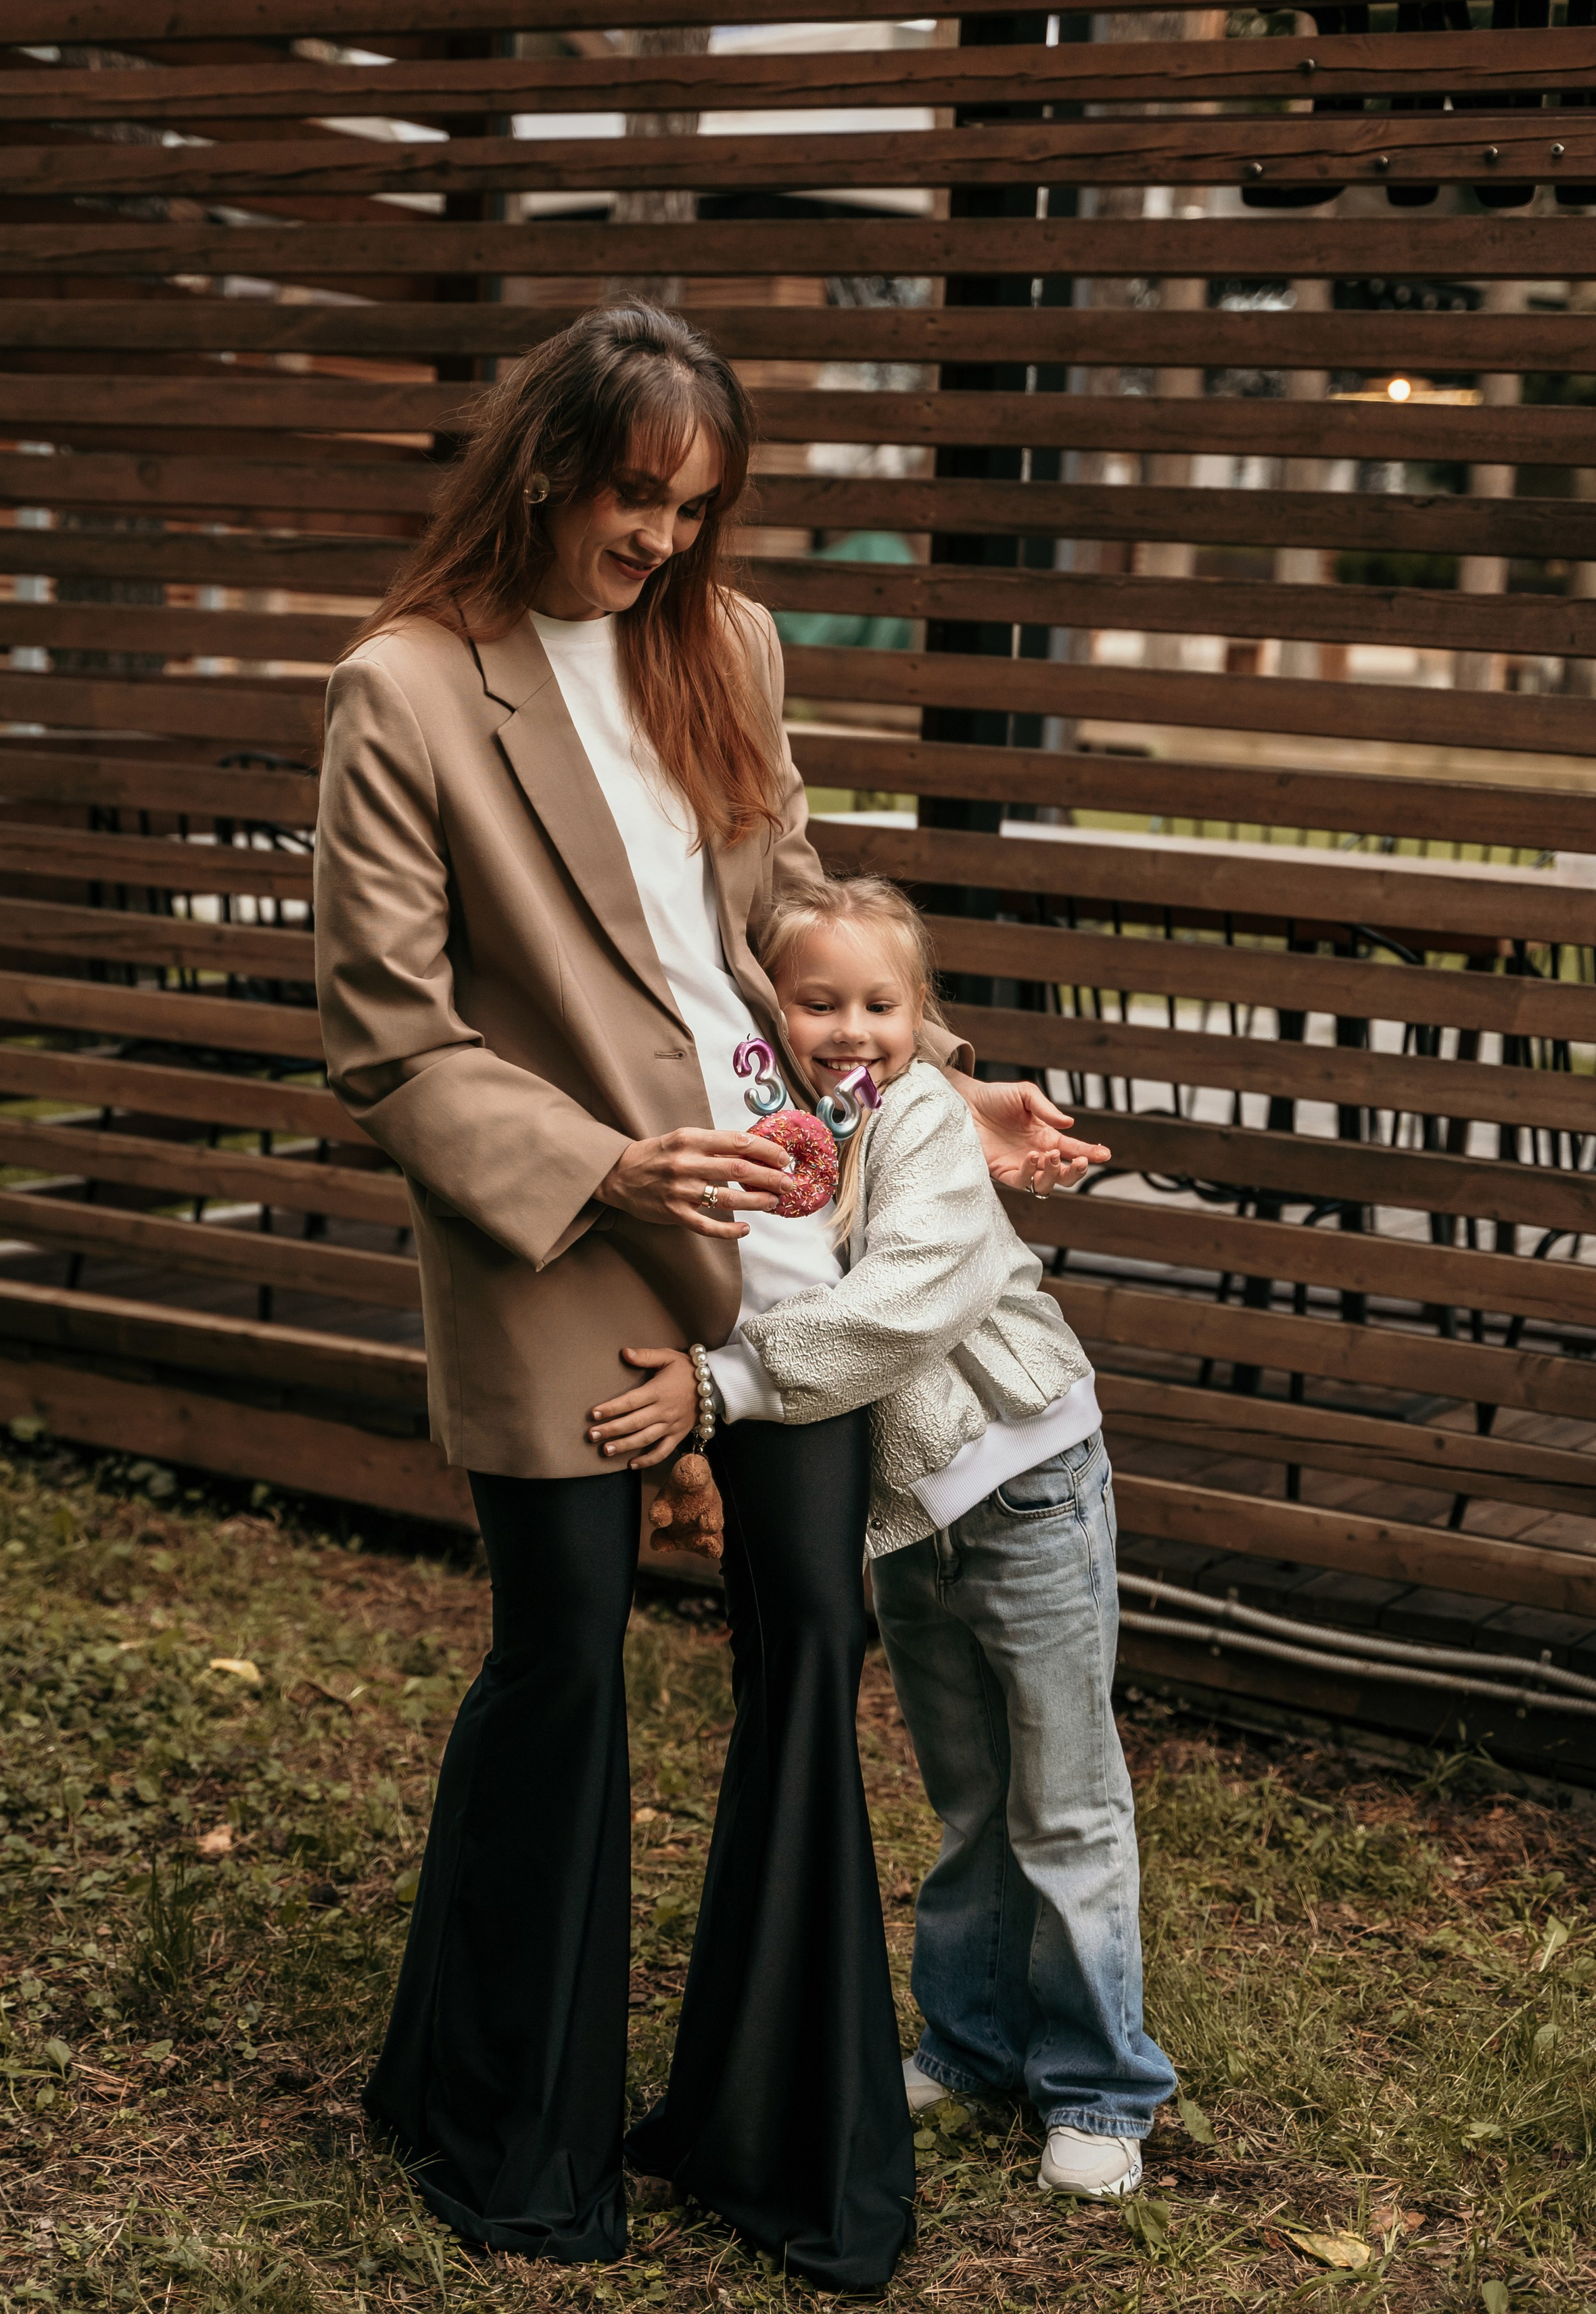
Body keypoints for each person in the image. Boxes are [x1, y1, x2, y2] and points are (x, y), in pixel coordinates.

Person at [313, 304, 1096, 2290]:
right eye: (635, 497)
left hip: (777, 1224)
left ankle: (769, 2131)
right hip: (565, 1236)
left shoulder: (727, 647)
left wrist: (931, 1073)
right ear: (546, 461)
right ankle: (496, 2117)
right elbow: (387, 1036)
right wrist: (601, 1164)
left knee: (811, 1628)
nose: (662, 540)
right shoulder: (405, 690)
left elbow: (790, 918)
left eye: (696, 508)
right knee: (567, 1655)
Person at [606, 873, 1177, 2201]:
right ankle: (973, 2045)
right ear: (768, 1010)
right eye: (818, 1001)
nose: (850, 1028)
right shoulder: (779, 1129)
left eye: (880, 1002)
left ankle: (1101, 2082)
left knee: (1062, 1795)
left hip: (1026, 1483)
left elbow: (909, 1303)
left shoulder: (920, 1121)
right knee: (970, 1796)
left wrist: (722, 1386)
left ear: (921, 1019)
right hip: (912, 1518)